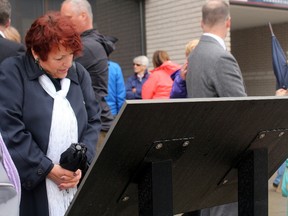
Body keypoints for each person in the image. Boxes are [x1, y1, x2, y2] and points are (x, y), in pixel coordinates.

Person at [0, 11, 101, 216]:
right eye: (59, 57)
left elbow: (93, 120)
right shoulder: (13, 72)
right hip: (31, 186)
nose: (67, 63)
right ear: (37, 53)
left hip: (74, 182)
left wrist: (82, 164)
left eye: (71, 54)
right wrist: (46, 169)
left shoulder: (78, 74)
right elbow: (9, 127)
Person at [185, 1, 247, 216]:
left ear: (202, 23)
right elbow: (242, 112)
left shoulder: (194, 55)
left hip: (203, 156)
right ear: (228, 22)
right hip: (224, 160)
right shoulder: (221, 58)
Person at [61, 0, 115, 155]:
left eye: (68, 17)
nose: (63, 23)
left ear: (83, 16)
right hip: (96, 125)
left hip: (95, 130)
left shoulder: (87, 48)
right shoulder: (90, 44)